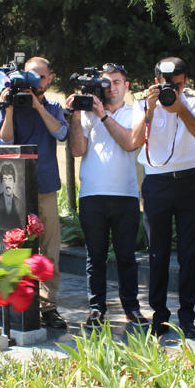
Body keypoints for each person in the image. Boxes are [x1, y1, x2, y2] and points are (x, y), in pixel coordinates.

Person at [66, 63, 147, 328]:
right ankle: (96, 309)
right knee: (95, 257)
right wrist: (76, 115)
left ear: (126, 85)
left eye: (116, 82)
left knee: (126, 257)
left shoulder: (134, 112)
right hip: (92, 194)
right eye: (106, 83)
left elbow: (130, 142)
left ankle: (131, 308)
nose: (110, 87)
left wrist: (102, 115)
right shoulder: (86, 114)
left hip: (125, 194)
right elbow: (77, 150)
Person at [132, 56, 195, 338]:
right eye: (165, 83)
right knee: (157, 252)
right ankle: (159, 316)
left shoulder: (192, 100)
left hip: (188, 180)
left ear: (184, 82)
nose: (170, 88)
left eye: (176, 84)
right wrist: (150, 109)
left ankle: (187, 317)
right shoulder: (143, 102)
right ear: (156, 81)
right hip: (157, 182)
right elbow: (134, 141)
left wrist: (180, 108)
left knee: (189, 253)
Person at [0, 56, 69, 330]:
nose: (36, 82)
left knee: (49, 250)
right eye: (31, 76)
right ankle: (17, 306)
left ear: (49, 79)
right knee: (15, 248)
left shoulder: (54, 107)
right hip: (16, 191)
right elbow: (5, 140)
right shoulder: (12, 106)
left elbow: (61, 134)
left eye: (41, 77)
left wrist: (37, 105)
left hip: (46, 187)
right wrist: (9, 108)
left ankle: (49, 307)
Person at [0, 161, 25, 233]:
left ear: (14, 181)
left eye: (10, 179)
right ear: (1, 182)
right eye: (4, 179)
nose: (7, 183)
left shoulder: (20, 203)